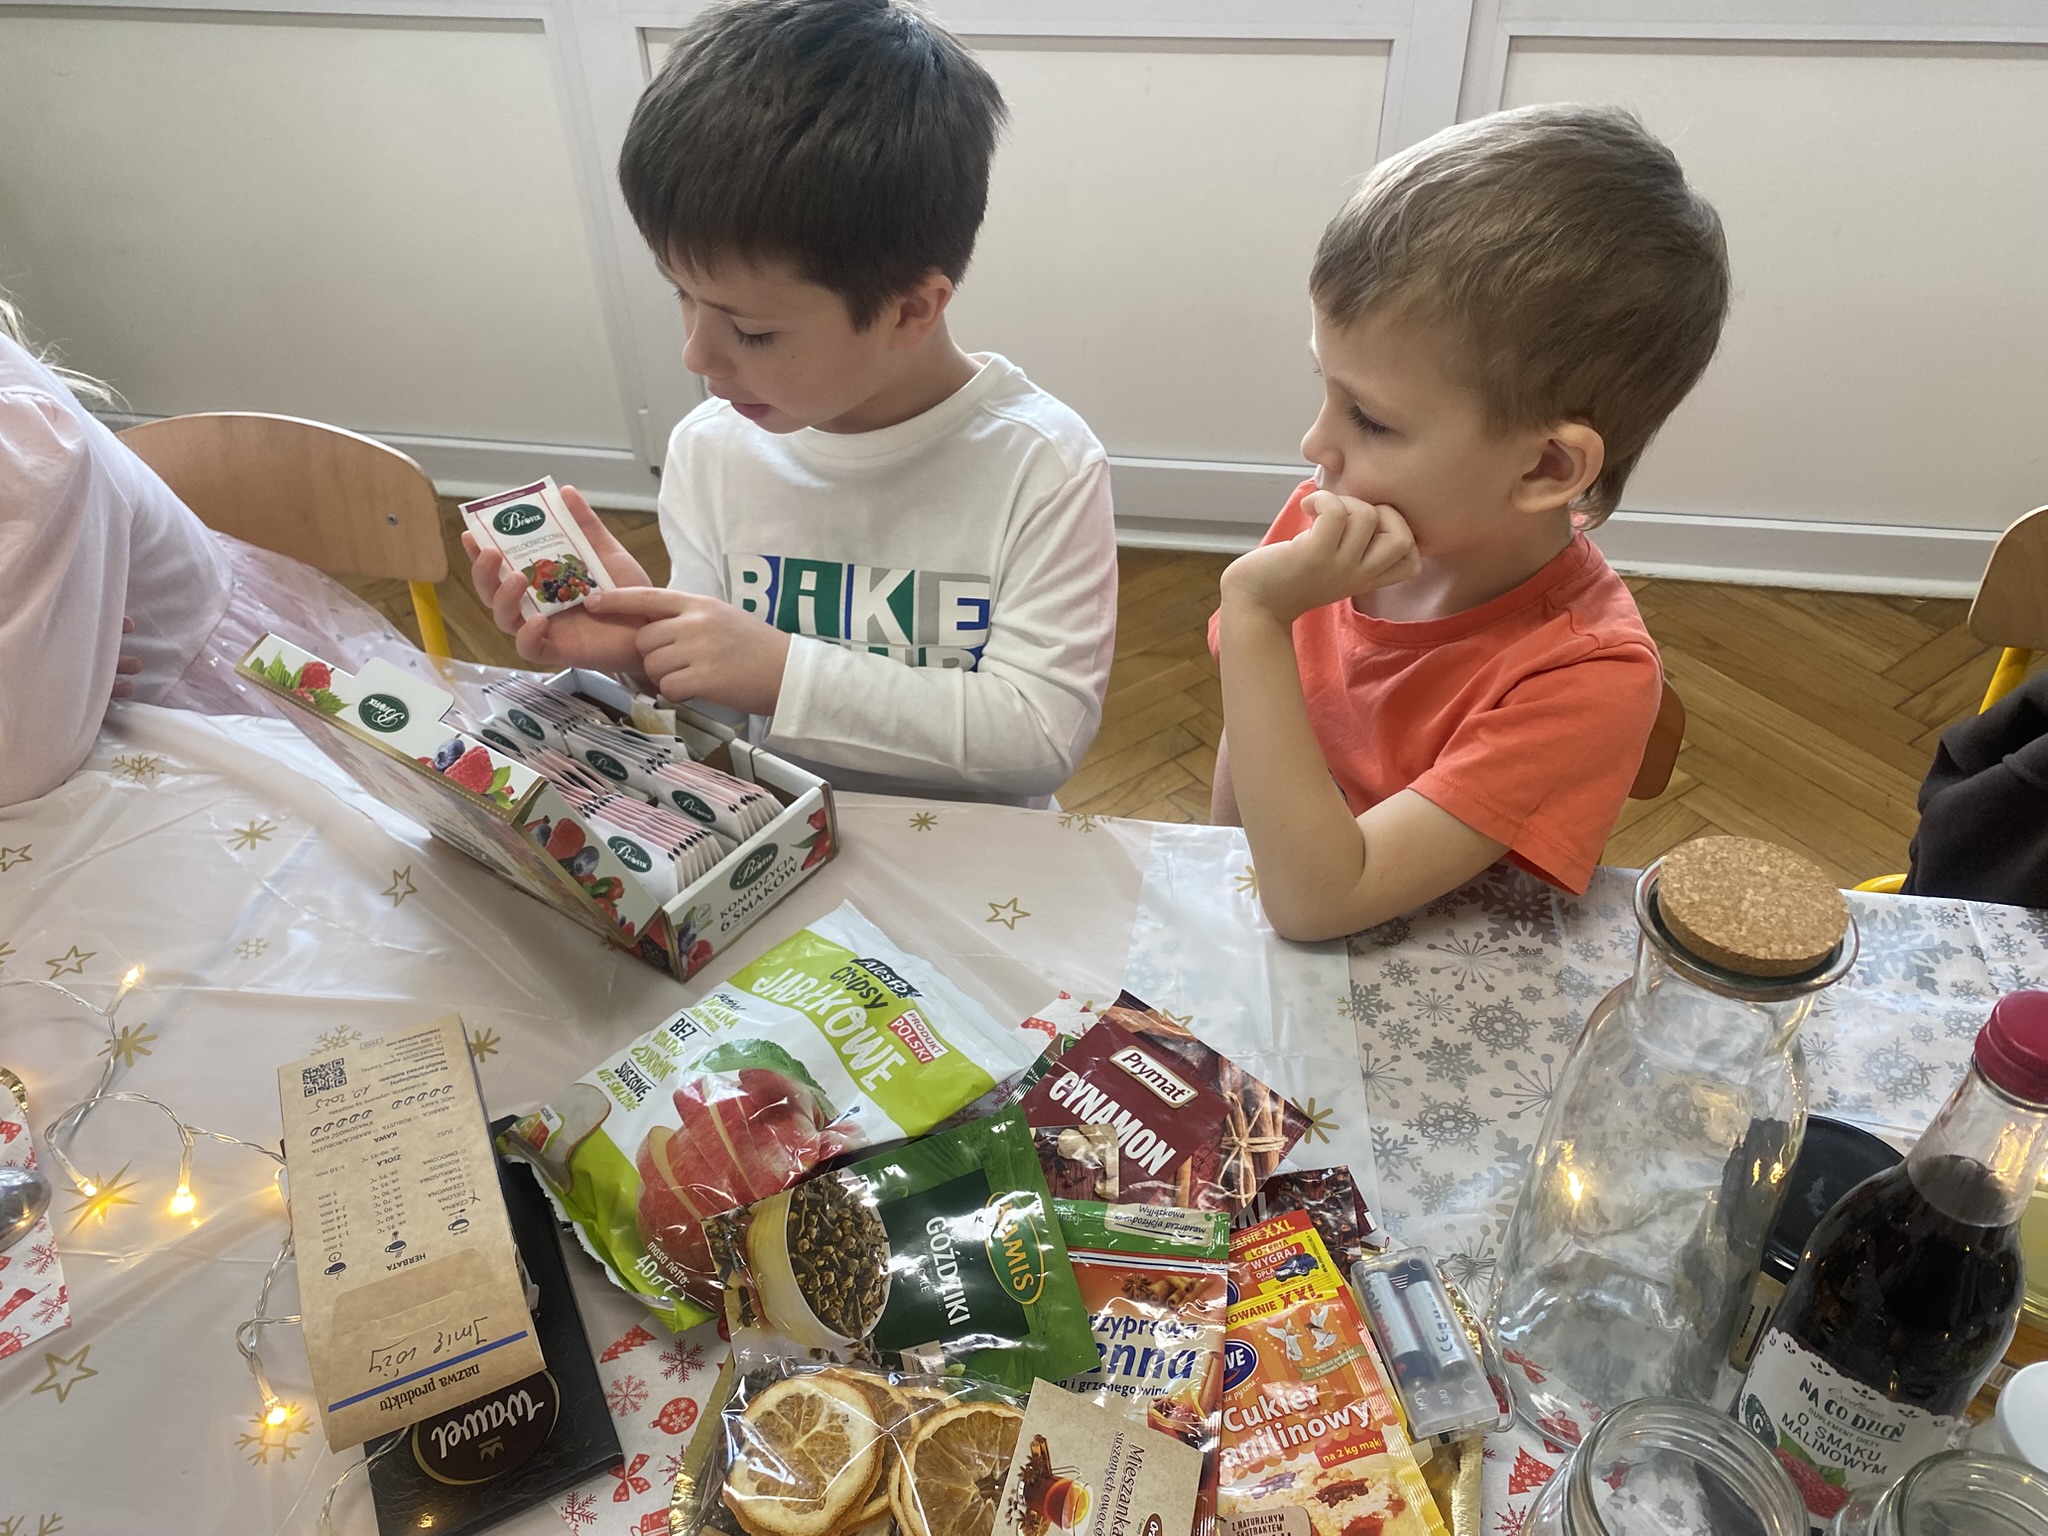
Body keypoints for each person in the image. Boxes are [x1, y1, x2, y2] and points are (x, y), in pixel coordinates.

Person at [464, 0, 1117, 806]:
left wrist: (787, 673)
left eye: (753, 331)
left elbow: (1039, 737)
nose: (696, 357)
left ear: (911, 310)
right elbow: (719, 715)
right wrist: (646, 649)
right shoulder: (714, 448)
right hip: (774, 832)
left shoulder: (1043, 464)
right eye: (682, 295)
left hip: (977, 848)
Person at [1212, 105, 1729, 941]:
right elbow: (1239, 815)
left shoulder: (1585, 676)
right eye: (1325, 388)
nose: (1316, 446)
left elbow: (1319, 904)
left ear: (1545, 468)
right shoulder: (1332, 536)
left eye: (1370, 419)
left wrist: (1257, 616)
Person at [0, 295, 424, 806]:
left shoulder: (20, 444)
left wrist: (53, 684)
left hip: (210, 699)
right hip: (108, 722)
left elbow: (22, 763)